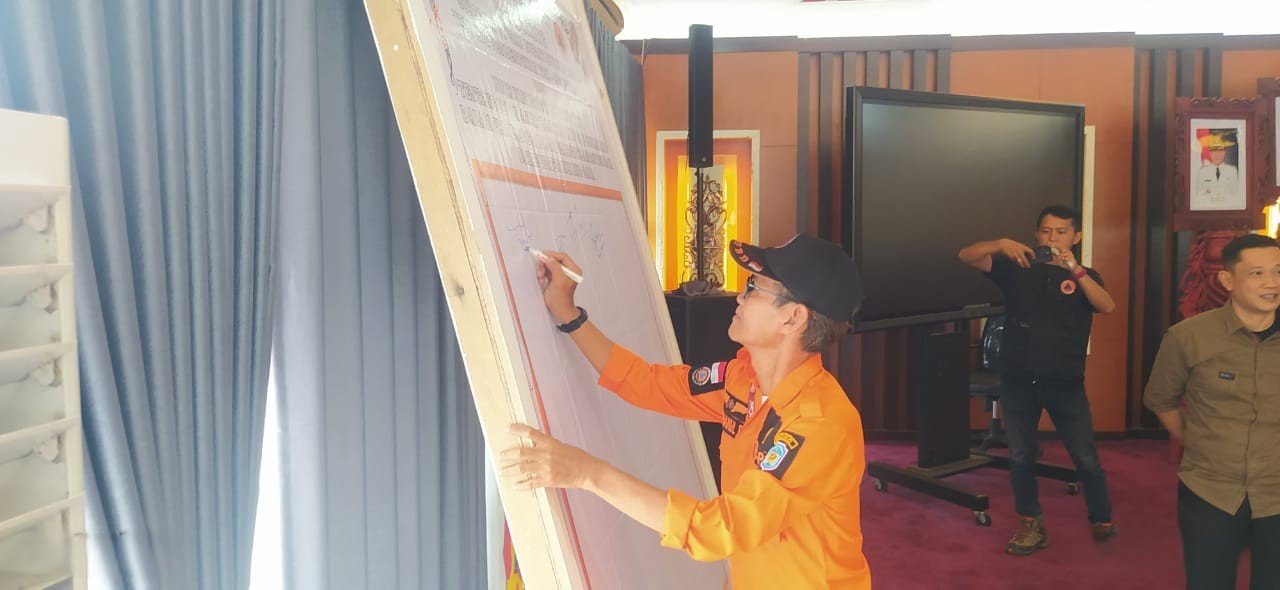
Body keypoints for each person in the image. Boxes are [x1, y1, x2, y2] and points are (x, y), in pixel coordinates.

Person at [500, 234, 871, 589]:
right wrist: (568, 314)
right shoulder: (743, 380)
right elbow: (647, 382)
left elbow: (718, 529)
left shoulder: (821, 424)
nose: (740, 297)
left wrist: (586, 473)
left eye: (754, 287)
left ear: (793, 318)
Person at [957, 204, 1118, 556]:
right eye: (1046, 231)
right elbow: (966, 256)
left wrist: (1075, 270)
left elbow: (1106, 306)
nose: (1052, 238)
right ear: (1036, 234)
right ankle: (1030, 524)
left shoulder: (1085, 276)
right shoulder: (1017, 267)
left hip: (1065, 383)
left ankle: (1102, 518)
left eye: (1061, 232)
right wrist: (999, 243)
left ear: (1076, 237)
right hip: (1018, 381)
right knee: (1021, 456)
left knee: (1085, 457)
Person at [1144, 234, 1280, 590]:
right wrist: (1199, 441)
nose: (1272, 283)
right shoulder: (1188, 336)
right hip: (1210, 489)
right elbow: (1161, 399)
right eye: (1257, 273)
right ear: (1228, 280)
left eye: (1279, 272)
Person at [1195, 132, 1241, 205]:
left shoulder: (1232, 171)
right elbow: (1198, 196)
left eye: (1220, 151)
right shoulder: (1202, 172)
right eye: (1214, 151)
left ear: (1224, 153)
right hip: (1208, 207)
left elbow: (1236, 195)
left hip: (1228, 207)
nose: (1217, 154)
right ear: (1210, 153)